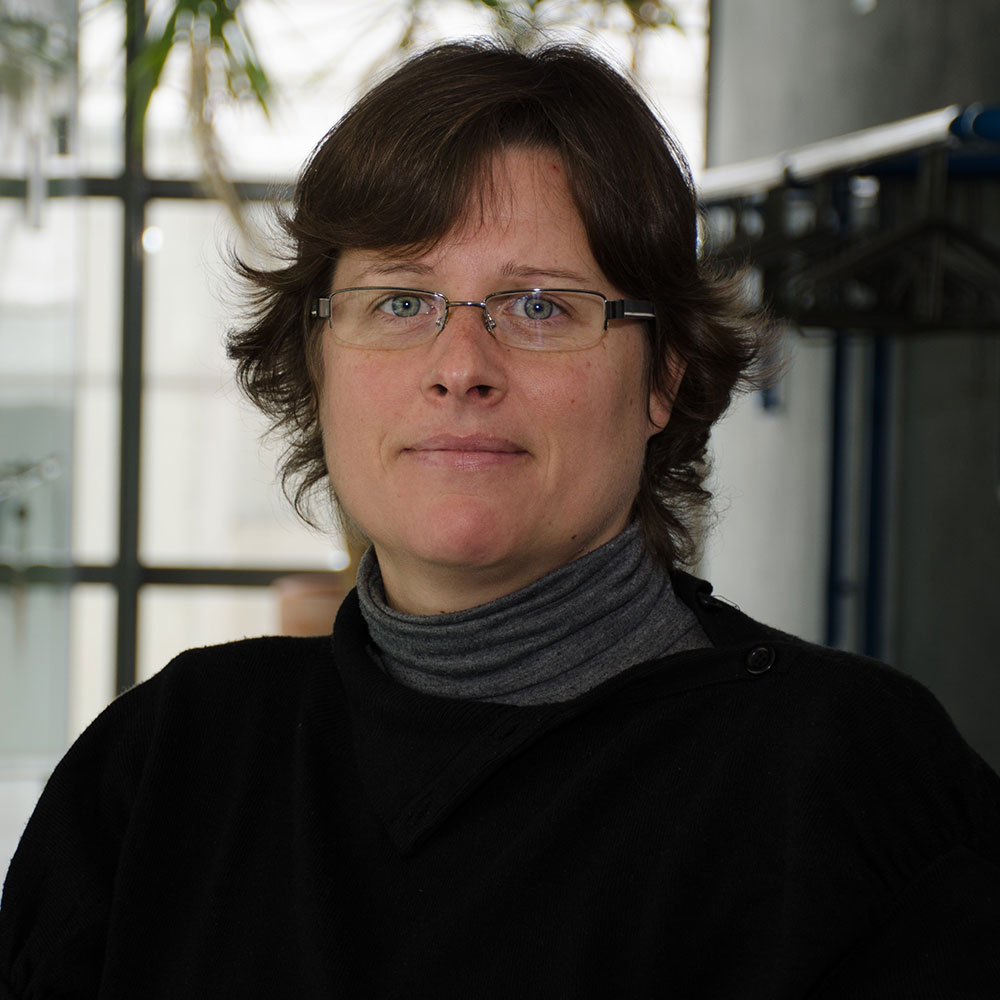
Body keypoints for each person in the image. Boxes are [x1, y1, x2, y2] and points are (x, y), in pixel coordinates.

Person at [2, 40, 1000, 999]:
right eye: (401, 303)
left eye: (540, 306)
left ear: (663, 376)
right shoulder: (166, 766)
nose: (461, 367)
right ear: (317, 363)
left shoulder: (851, 786)